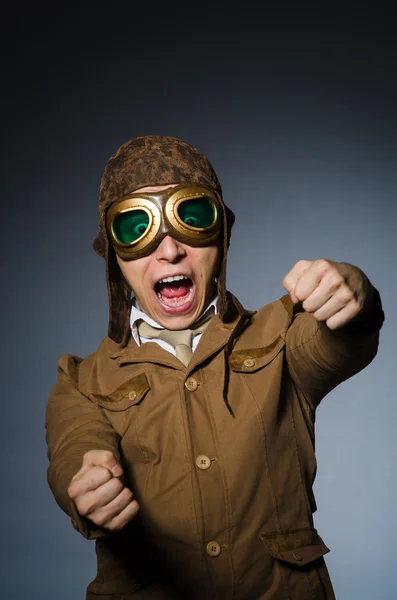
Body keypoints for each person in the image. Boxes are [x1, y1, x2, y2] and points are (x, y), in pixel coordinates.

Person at [46, 135, 384, 600]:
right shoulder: (82, 382)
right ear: (115, 258)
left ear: (221, 236)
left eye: (192, 217)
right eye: (136, 227)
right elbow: (74, 448)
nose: (169, 251)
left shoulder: (283, 333)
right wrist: (85, 485)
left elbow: (341, 338)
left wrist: (353, 291)